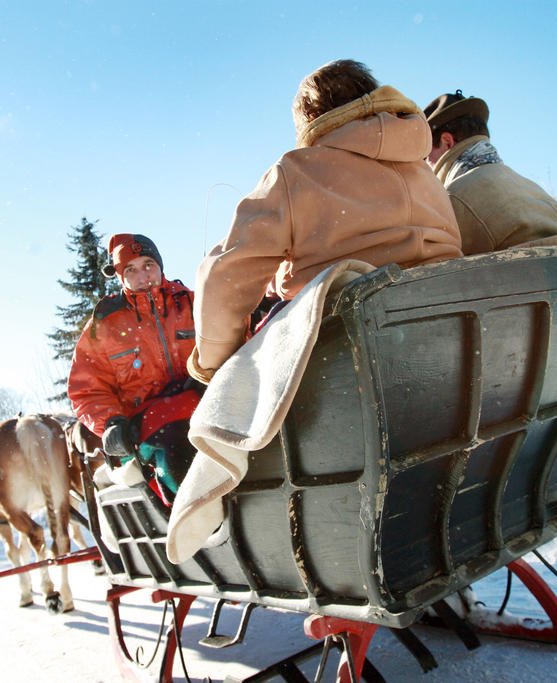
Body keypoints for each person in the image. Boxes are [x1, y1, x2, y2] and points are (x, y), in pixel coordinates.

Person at [188, 59, 462, 382]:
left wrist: (215, 366)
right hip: (448, 347)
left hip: (348, 363)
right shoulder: (426, 175)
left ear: (310, 123)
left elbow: (224, 278)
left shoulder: (296, 173)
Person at [67, 233, 201, 502]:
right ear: (120, 276)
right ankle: (196, 522)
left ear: (160, 265)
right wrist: (111, 424)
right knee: (177, 452)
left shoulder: (194, 303)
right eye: (131, 269)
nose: (143, 275)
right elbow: (86, 390)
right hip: (148, 425)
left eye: (149, 264)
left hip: (204, 405)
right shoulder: (105, 325)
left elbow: (235, 341)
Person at [424, 90, 557, 255]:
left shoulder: (453, 199)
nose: (427, 165)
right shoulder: (532, 188)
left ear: (447, 142)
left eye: (426, 156)